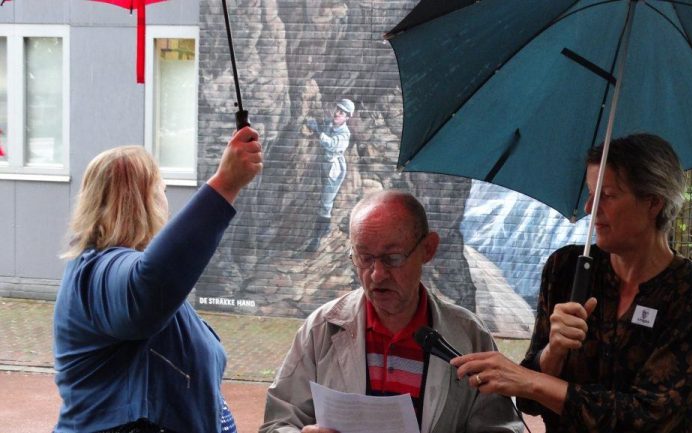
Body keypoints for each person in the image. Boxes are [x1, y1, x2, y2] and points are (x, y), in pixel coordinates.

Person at [451, 133, 692, 432]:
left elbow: (649, 418)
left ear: (653, 203)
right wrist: (553, 352)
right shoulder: (567, 268)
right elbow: (529, 402)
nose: (589, 208)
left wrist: (533, 381)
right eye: (590, 193)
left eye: (606, 195)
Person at [52, 127, 263, 433]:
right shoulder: (95, 272)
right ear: (141, 202)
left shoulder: (105, 275)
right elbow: (146, 289)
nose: (166, 203)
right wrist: (224, 185)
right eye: (160, 190)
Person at [260, 190, 523, 433]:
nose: (377, 274)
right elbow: (278, 422)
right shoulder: (320, 329)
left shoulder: (469, 337)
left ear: (427, 249)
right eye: (364, 258)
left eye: (393, 258)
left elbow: (502, 427)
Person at [305, 98, 354, 244]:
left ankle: (317, 238)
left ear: (347, 117)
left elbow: (332, 144)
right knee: (316, 197)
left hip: (334, 169)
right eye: (338, 110)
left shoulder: (345, 134)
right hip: (323, 163)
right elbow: (322, 123)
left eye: (342, 112)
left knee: (326, 202)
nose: (338, 113)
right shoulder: (330, 123)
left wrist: (317, 131)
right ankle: (322, 229)